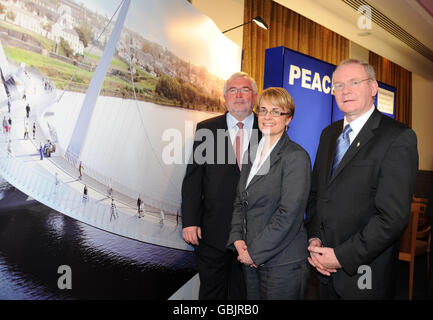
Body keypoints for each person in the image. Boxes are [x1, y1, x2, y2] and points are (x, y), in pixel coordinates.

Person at [306, 59, 419, 299]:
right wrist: (314, 238)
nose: (345, 90)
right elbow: (317, 195)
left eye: (354, 82)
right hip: (323, 270)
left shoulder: (398, 137)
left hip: (364, 276)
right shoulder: (328, 134)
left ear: (373, 88)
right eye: (338, 85)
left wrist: (340, 257)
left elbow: (392, 218)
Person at [181, 72, 261, 300]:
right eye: (233, 90)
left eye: (244, 89)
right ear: (225, 97)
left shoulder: (268, 130)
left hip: (252, 235)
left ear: (254, 96)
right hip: (211, 233)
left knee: (244, 295)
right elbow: (193, 179)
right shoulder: (207, 129)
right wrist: (190, 221)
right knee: (210, 293)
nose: (239, 95)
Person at [227, 87, 311, 300]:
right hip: (250, 257)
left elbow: (289, 215)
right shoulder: (252, 152)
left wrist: (254, 252)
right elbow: (240, 201)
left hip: (282, 263)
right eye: (263, 110)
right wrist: (237, 239)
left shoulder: (296, 157)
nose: (267, 117)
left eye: (276, 112)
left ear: (288, 118)